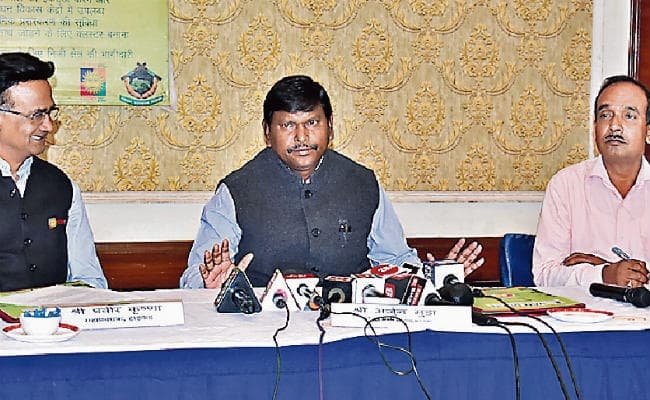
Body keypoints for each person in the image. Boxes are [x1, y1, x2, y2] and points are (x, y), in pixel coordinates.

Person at [181, 75, 484, 289]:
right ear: (267, 132)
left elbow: (395, 260)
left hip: (352, 332)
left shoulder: (363, 183)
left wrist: (437, 276)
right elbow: (193, 278)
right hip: (264, 334)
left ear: (330, 127)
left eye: (312, 123)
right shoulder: (235, 192)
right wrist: (211, 283)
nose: (301, 137)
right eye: (288, 125)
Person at [0, 52, 107, 291]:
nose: (48, 125)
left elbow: (88, 279)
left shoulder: (62, 187)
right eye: (37, 115)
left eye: (50, 113)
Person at [533, 75, 650, 287]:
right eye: (605, 115)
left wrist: (608, 268)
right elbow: (544, 274)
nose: (614, 126)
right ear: (595, 127)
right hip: (583, 309)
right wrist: (604, 274)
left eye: (629, 116)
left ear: (648, 131)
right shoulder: (566, 185)